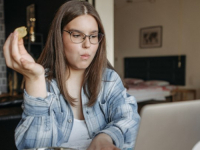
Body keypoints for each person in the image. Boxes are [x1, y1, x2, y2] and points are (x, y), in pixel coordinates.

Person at [3, 1, 140, 150]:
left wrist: (106, 136)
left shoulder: (109, 80)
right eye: (77, 35)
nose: (87, 44)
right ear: (59, 37)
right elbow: (35, 146)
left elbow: (130, 120)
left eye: (93, 36)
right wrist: (35, 79)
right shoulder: (45, 85)